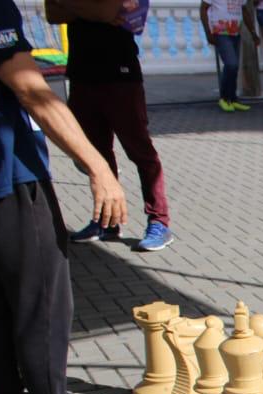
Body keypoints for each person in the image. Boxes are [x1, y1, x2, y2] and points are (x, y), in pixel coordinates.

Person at [0, 0, 133, 394]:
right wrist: (98, 165)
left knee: (1, 300)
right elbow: (31, 91)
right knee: (44, 298)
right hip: (4, 167)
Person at [44, 0, 175, 252]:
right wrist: (98, 11)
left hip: (120, 73)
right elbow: (52, 13)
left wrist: (76, 7)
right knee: (96, 154)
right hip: (82, 74)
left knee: (141, 153)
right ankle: (108, 221)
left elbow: (104, 10)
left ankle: (159, 221)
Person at [200, 0, 259, 112]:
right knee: (231, 64)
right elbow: (203, 9)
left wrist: (253, 33)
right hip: (220, 32)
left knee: (234, 67)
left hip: (235, 32)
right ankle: (224, 98)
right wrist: (208, 33)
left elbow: (244, 10)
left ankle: (233, 99)